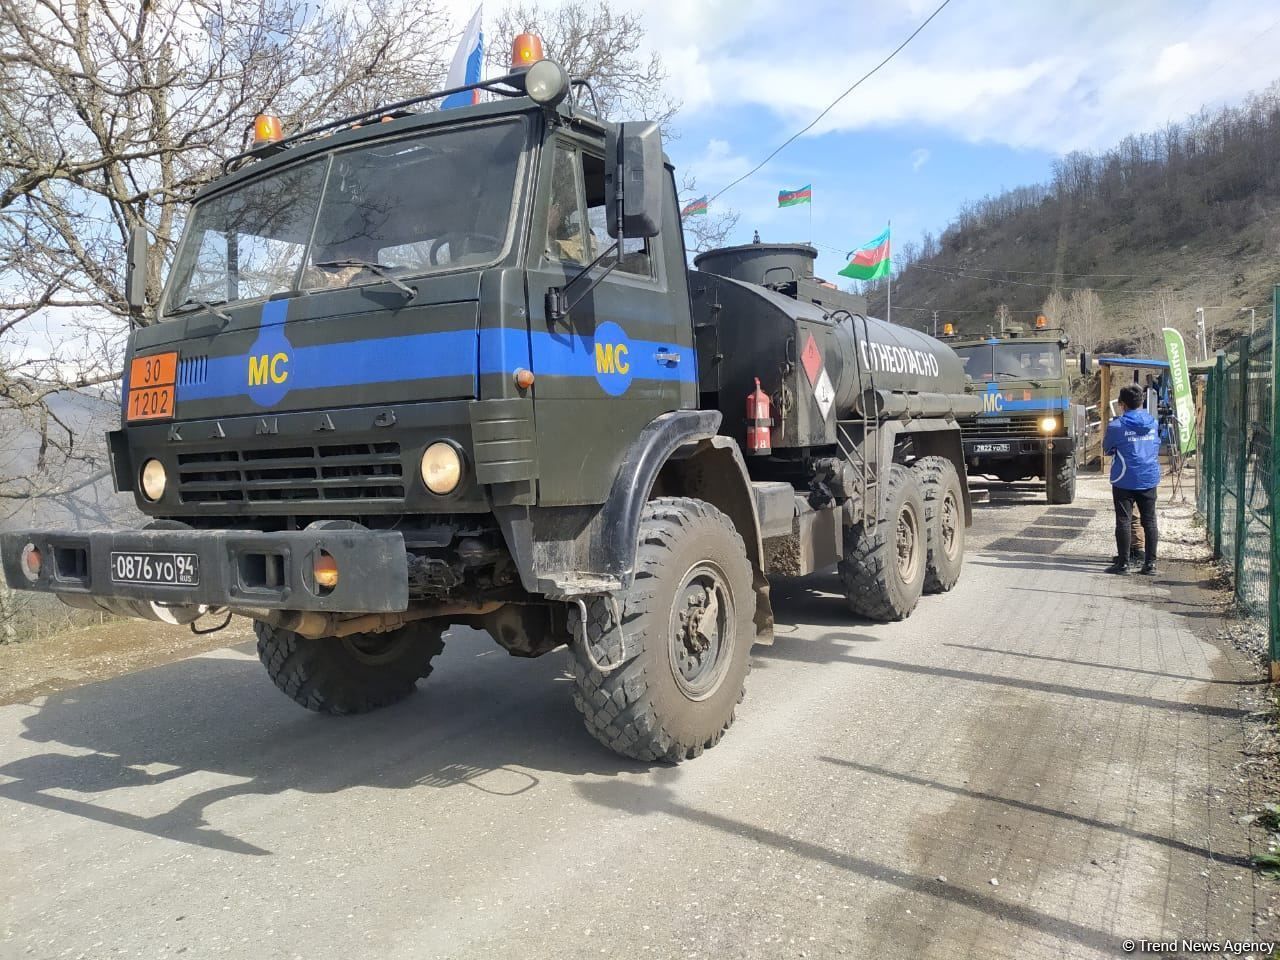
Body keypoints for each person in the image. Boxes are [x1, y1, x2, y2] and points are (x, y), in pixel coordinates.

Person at [1103, 383, 1161, 575]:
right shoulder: (1152, 422)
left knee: (1123, 521)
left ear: (1122, 404)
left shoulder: (1116, 426)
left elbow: (1107, 448)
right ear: (1141, 402)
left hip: (1124, 478)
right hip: (1148, 477)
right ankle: (1150, 564)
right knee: (1150, 521)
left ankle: (1123, 563)